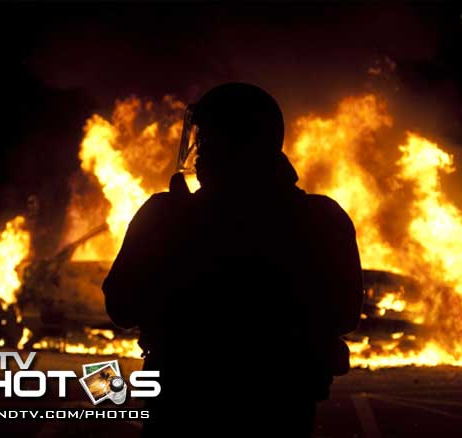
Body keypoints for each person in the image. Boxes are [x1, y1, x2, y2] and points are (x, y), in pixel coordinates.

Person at [102, 83, 363, 436]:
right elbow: (346, 315)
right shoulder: (322, 218)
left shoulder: (165, 215)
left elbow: (121, 307)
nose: (199, 151)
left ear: (225, 145)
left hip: (183, 405)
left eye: (207, 139)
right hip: (280, 407)